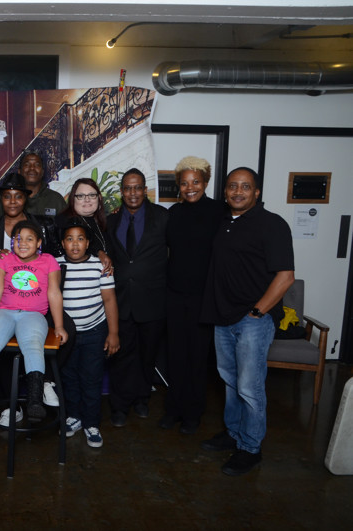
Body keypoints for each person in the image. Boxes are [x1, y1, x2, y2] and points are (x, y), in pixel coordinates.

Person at [200, 167, 294, 476]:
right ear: (225, 191)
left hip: (253, 319)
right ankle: (234, 433)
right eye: (232, 186)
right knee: (230, 381)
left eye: (245, 186)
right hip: (222, 317)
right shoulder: (224, 221)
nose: (238, 191)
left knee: (249, 387)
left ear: (256, 192)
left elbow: (286, 276)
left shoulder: (272, 224)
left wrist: (257, 311)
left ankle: (251, 448)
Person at [0, 172, 69, 424]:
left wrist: (59, 326)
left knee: (32, 344)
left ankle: (35, 401)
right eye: (18, 239)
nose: (23, 243)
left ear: (39, 242)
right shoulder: (4, 259)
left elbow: (54, 293)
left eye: (29, 239)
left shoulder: (48, 261)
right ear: (12, 242)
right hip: (5, 312)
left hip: (33, 315)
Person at [160, 157, 225, 434]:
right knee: (175, 355)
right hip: (175, 295)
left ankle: (193, 413)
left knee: (197, 357)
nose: (190, 188)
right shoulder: (174, 213)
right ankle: (173, 409)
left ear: (206, 183)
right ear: (179, 185)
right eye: (185, 183)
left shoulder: (220, 211)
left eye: (196, 182)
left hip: (203, 297)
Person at [105, 169, 169, 428]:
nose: (133, 193)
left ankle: (142, 399)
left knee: (147, 355)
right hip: (120, 300)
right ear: (122, 192)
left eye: (138, 187)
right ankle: (119, 405)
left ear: (145, 190)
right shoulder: (111, 220)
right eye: (128, 188)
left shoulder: (162, 217)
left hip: (153, 299)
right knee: (121, 356)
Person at [57, 220, 120, 448]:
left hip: (95, 331)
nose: (75, 244)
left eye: (80, 239)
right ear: (62, 243)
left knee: (91, 378)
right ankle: (74, 417)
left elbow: (109, 299)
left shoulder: (99, 266)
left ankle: (91, 423)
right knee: (69, 377)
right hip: (67, 336)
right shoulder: (55, 265)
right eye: (70, 239)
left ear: (88, 243)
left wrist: (113, 333)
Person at [55, 177, 113, 273]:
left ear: (99, 198)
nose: (87, 200)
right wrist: (98, 252)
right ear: (73, 199)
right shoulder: (63, 222)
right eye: (81, 196)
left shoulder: (103, 222)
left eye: (92, 195)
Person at [0, 151, 67, 219]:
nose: (32, 168)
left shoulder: (56, 200)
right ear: (19, 171)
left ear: (42, 172)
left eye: (37, 165)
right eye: (27, 165)